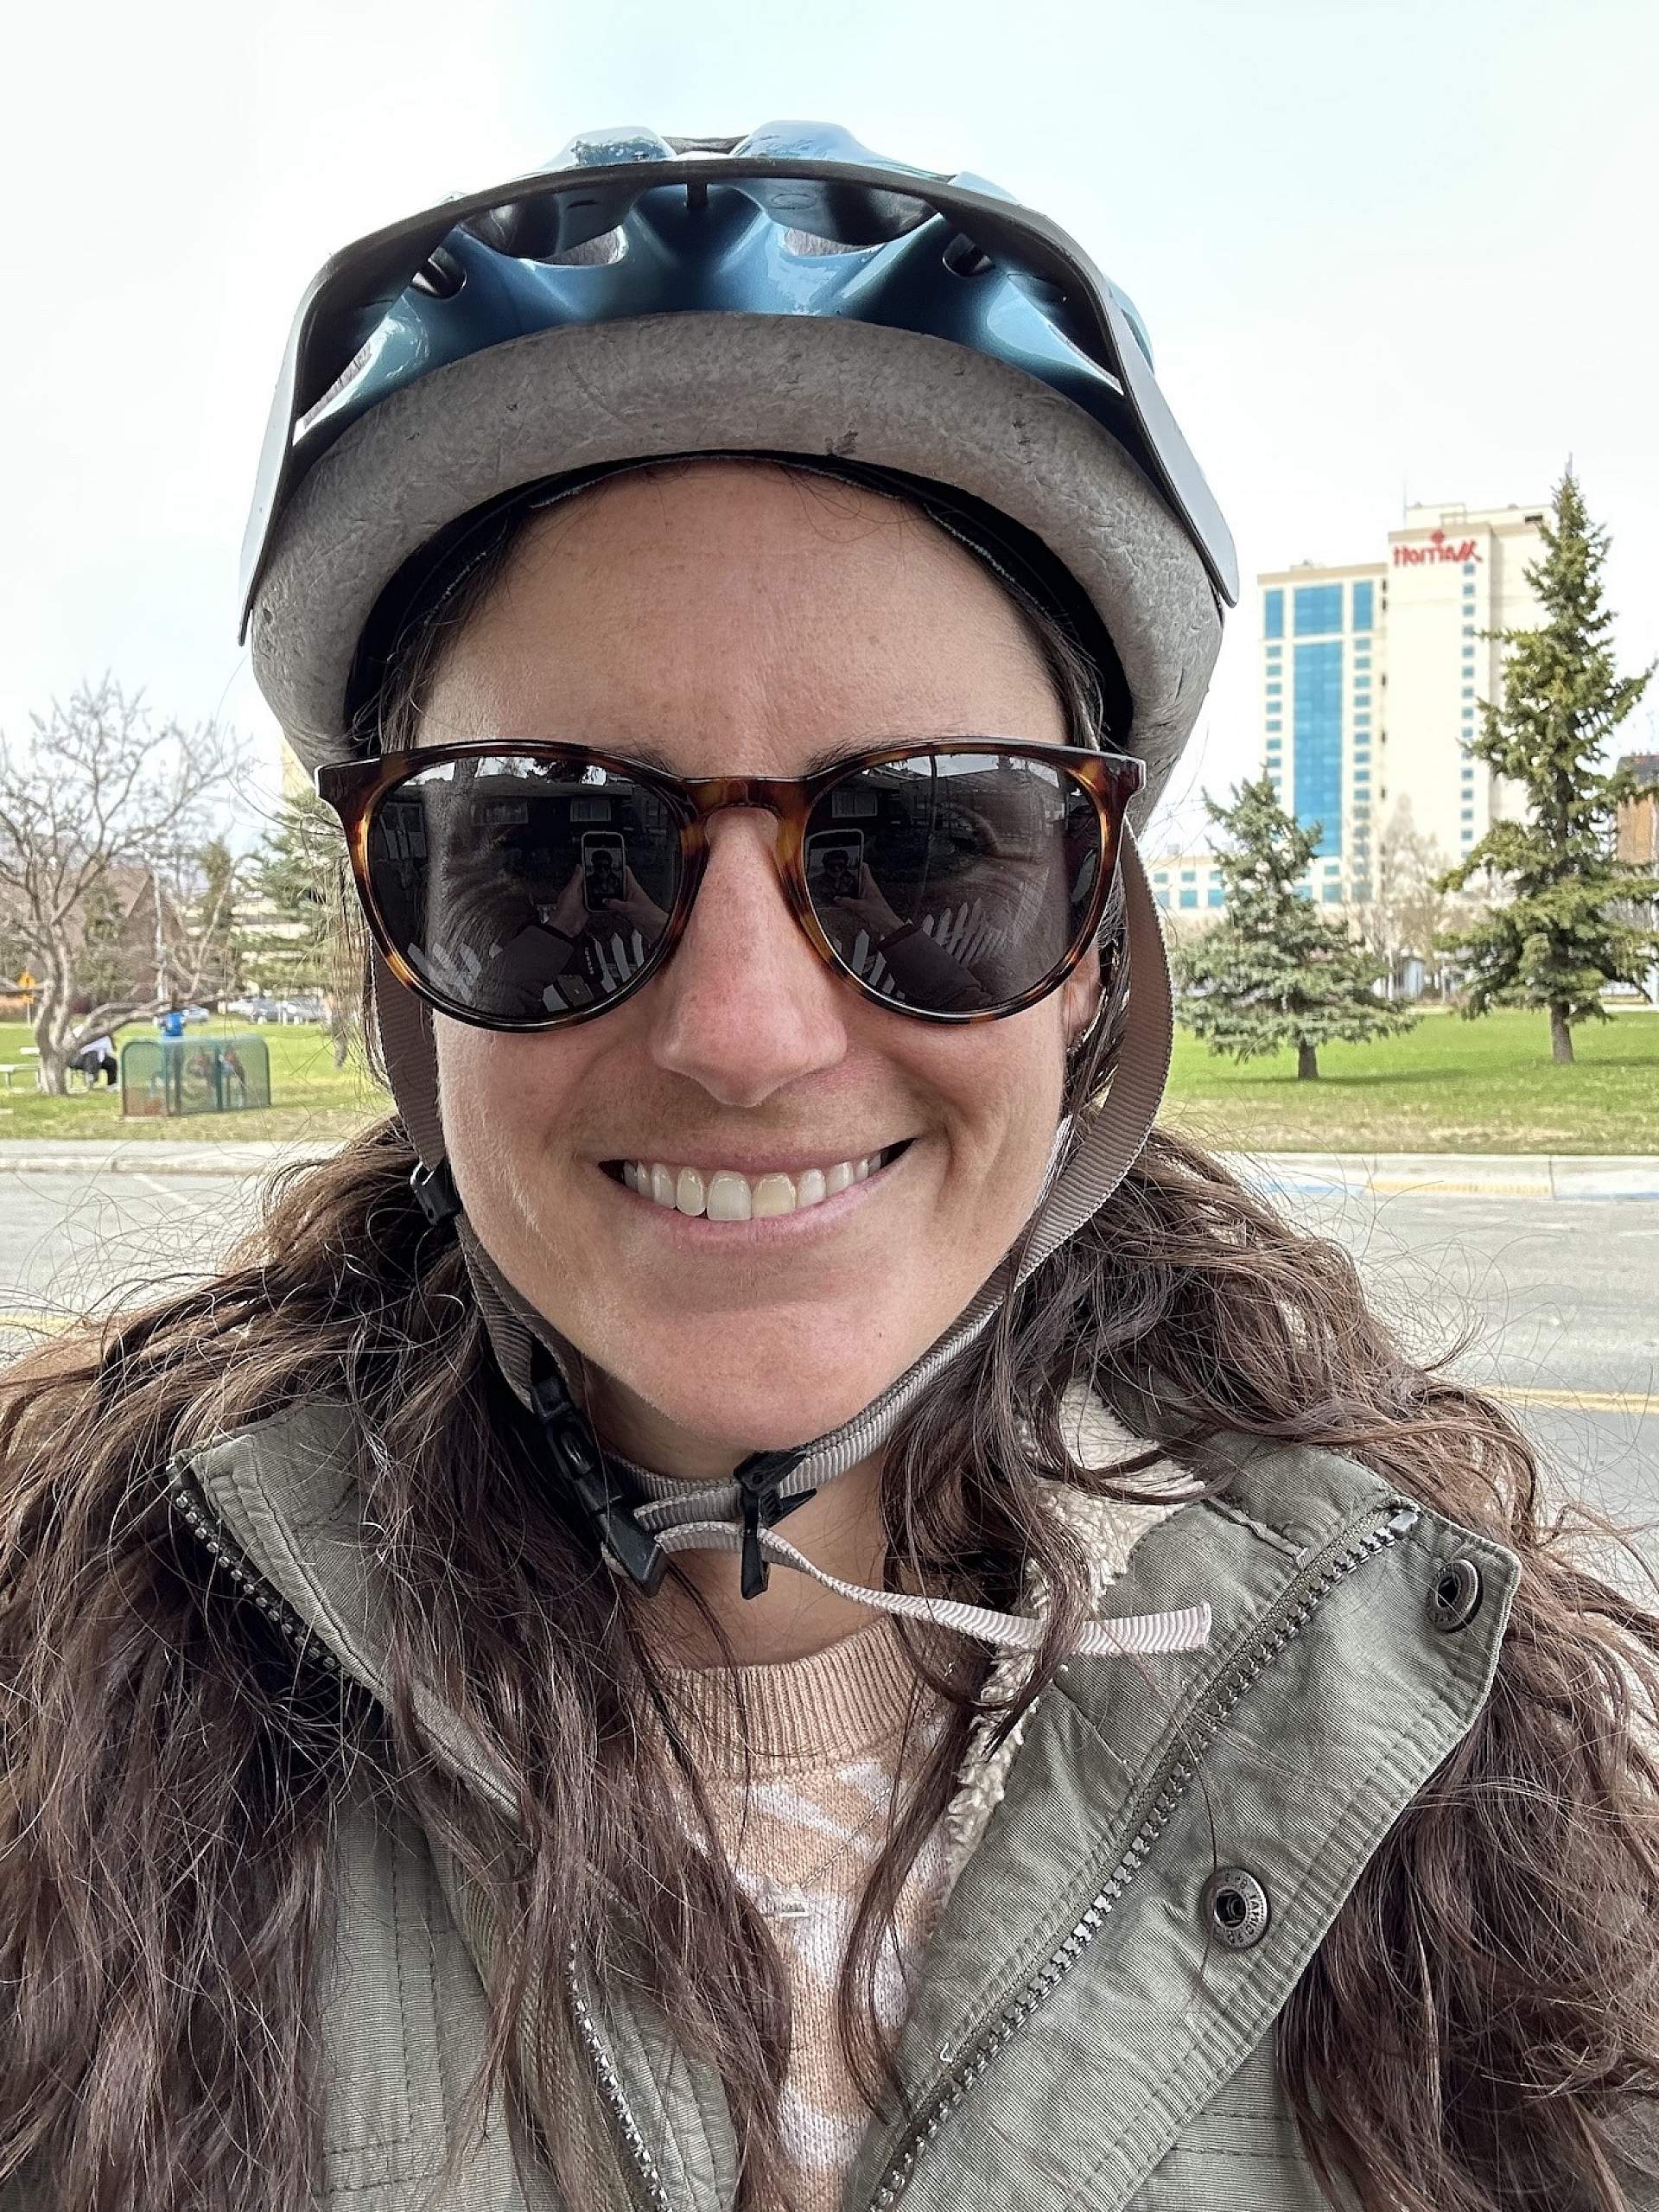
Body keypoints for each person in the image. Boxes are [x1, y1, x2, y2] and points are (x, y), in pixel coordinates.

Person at [1, 126, 1655, 2212]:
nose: (746, 1029)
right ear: (407, 963)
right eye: (553, 848)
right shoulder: (63, 1724)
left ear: (1090, 959)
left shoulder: (1458, 1754)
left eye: (931, 843)